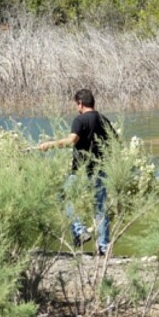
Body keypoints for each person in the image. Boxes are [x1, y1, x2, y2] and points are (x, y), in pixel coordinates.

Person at [36, 89, 116, 255]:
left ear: (80, 103)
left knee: (65, 197)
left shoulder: (80, 120)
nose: (76, 107)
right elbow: (115, 142)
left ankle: (79, 231)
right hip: (100, 170)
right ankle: (103, 247)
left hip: (80, 170)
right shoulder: (104, 120)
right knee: (100, 208)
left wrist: (48, 145)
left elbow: (71, 140)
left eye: (76, 104)